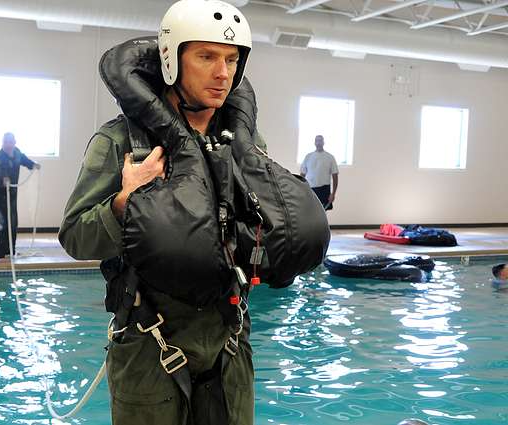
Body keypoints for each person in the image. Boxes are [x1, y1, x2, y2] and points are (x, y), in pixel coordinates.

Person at [59, 1, 328, 423]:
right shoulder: (120, 141)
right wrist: (125, 202)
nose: (222, 73)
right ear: (171, 60)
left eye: (231, 59)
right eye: (206, 57)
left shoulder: (245, 142)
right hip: (151, 343)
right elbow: (75, 235)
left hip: (230, 340)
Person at [0, 132, 40, 260]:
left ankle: (10, 251)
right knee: (4, 223)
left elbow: (25, 160)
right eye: (6, 142)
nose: (8, 144)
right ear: (2, 143)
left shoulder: (17, 153)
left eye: (10, 142)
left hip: (11, 194)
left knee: (13, 223)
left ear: (14, 142)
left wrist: (33, 164)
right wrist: (4, 179)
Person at [300, 134, 339, 210]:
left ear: (323, 142)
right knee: (310, 211)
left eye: (320, 140)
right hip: (310, 189)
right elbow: (302, 175)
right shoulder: (308, 156)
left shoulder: (330, 157)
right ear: (314, 143)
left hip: (324, 190)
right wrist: (300, 190)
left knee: (323, 213)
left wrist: (333, 194)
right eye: (317, 141)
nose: (319, 142)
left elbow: (335, 177)